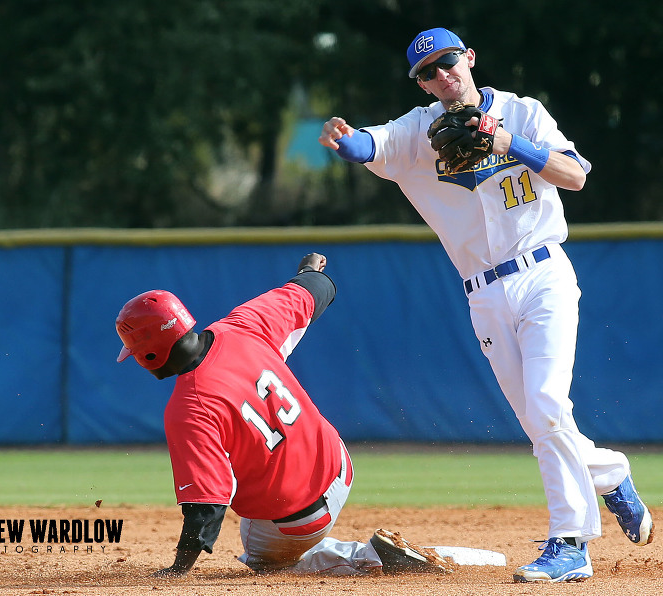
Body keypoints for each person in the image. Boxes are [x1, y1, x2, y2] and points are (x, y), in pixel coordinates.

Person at [318, 27, 654, 583]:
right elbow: (368, 146)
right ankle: (610, 473)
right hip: (483, 293)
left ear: (469, 58)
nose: (441, 75)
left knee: (547, 405)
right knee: (541, 423)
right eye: (428, 72)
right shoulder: (417, 132)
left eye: (448, 61)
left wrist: (508, 145)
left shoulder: (523, 113)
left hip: (543, 273)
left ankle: (570, 544)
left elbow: (575, 175)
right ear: (422, 84)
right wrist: (344, 139)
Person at [114, 253, 442, 577]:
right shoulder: (243, 324)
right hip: (339, 469)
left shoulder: (188, 408)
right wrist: (308, 270)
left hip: (300, 521)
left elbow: (207, 506)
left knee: (259, 555)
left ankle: (367, 558)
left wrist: (177, 569)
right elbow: (314, 289)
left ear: (149, 353)